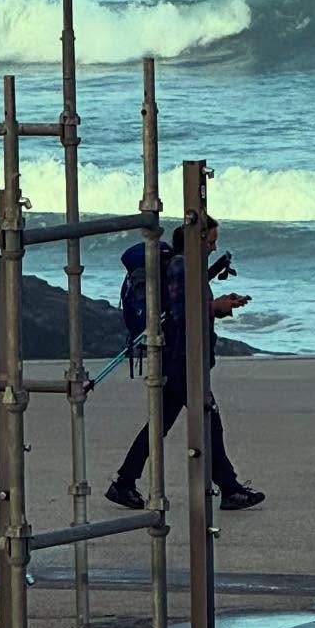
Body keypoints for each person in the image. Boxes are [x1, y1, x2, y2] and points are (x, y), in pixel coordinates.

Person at [105, 217, 265, 511]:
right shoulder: (180, 266)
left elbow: (189, 308)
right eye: (211, 241)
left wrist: (219, 306)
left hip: (179, 360)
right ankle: (230, 489)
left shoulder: (186, 267)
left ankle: (124, 482)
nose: (214, 247)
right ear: (197, 239)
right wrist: (215, 307)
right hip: (182, 361)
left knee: (161, 424)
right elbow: (181, 313)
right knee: (209, 424)